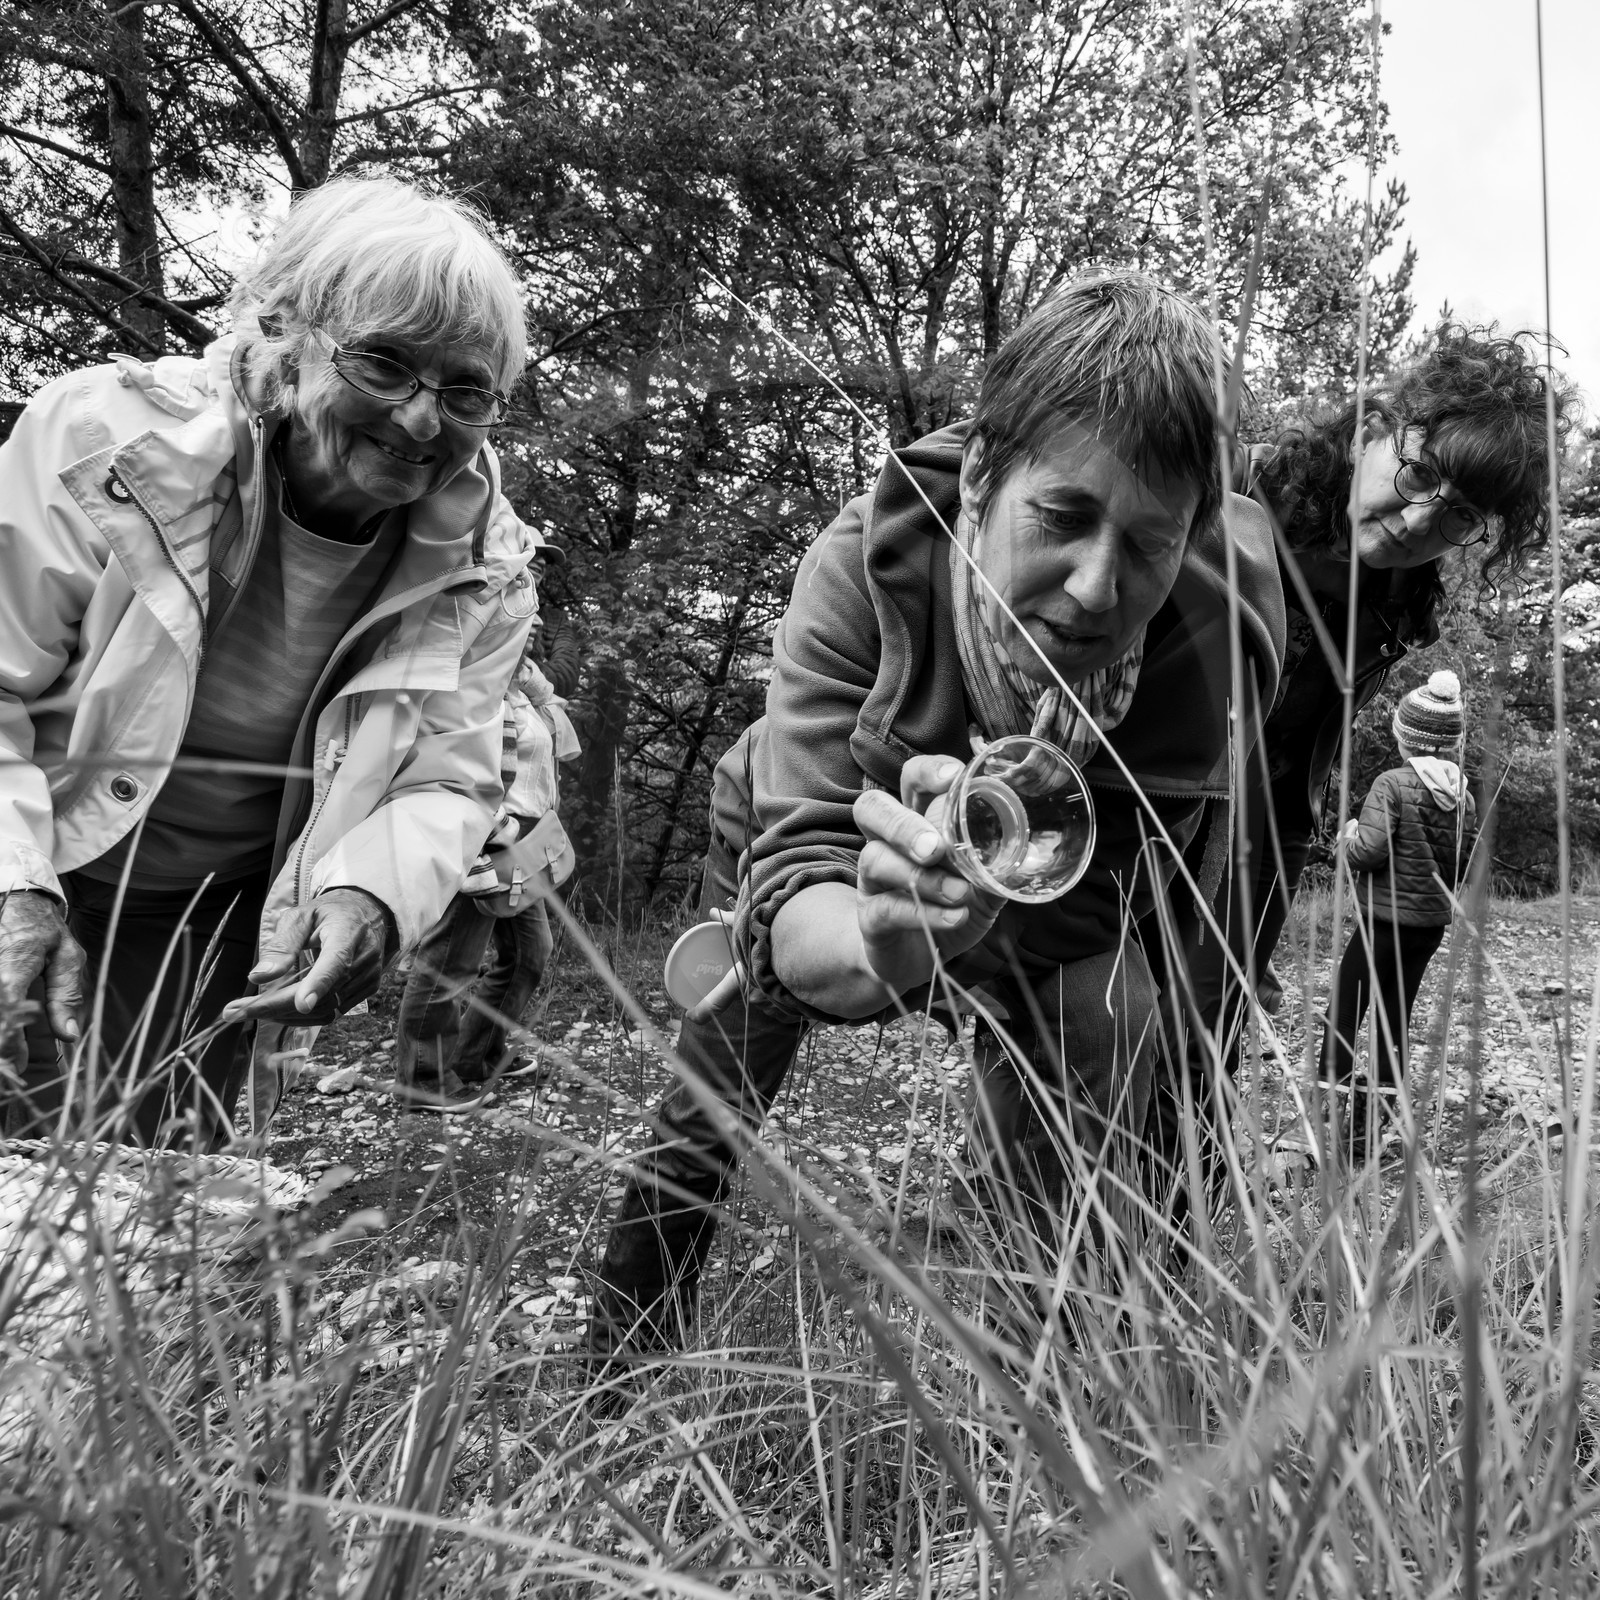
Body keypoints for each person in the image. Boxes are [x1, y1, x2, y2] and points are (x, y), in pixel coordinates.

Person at [587, 270, 1287, 1361]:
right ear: (979, 483)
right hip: (821, 874)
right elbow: (802, 909)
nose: (1100, 587)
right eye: (1061, 516)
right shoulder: (862, 569)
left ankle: (1015, 1372)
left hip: (1054, 903)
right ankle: (622, 1350)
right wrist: (882, 943)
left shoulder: (1226, 640)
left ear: (1192, 537)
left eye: (1150, 544)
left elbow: (1159, 899)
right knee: (723, 1061)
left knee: (1121, 1013)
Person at [0, 176, 538, 1148]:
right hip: (32, 864)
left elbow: (449, 779)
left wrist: (366, 890)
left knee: (158, 1197)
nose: (422, 421)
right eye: (382, 364)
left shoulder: (486, 564)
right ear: (284, 338)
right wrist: (12, 880)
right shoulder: (104, 441)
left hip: (213, 925)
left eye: (465, 392)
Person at [1147, 325, 1569, 1210]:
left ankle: (1163, 1217)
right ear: (1376, 425)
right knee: (1089, 1001)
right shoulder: (1229, 488)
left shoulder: (1405, 603)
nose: (1420, 522)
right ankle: (1010, 1207)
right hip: (1137, 793)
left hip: (1264, 827)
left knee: (1208, 1024)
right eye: (1417, 475)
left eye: (1459, 517)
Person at [396, 571, 582, 1100]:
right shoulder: (467, 684)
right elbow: (437, 760)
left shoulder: (523, 687)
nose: (531, 633)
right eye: (523, 625)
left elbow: (555, 735)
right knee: (449, 960)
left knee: (530, 954)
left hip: (524, 841)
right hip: (477, 836)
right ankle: (425, 1082)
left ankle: (478, 1057)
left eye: (534, 627)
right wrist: (478, 830)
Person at [1320, 671, 1476, 1162]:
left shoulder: (1392, 783)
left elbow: (1366, 853)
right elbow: (1463, 866)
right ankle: (1369, 1135)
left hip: (1383, 923)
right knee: (1395, 1017)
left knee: (1347, 1004)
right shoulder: (1463, 796)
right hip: (1428, 926)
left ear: (1404, 736)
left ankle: (1327, 1101)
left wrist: (1344, 838)